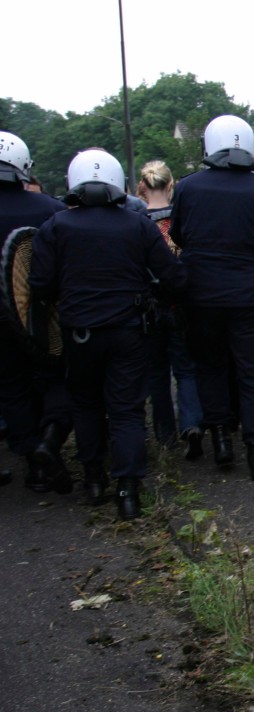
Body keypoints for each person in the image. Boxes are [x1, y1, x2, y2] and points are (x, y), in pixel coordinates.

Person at [29, 149, 186, 520]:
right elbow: (172, 276)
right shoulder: (138, 225)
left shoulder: (56, 226)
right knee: (127, 409)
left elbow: (39, 284)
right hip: (129, 331)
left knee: (86, 404)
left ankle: (94, 478)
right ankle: (128, 490)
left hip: (79, 332)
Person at [170, 114, 254, 481]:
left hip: (202, 295)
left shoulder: (189, 188)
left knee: (209, 367)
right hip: (252, 294)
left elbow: (179, 235)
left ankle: (222, 440)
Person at [0, 130, 69, 493]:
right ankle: (51, 438)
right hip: (41, 315)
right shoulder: (51, 210)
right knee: (55, 377)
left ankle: (31, 459)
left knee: (11, 386)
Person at [136, 160, 204, 460]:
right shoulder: (182, 219)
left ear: (141, 186)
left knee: (157, 373)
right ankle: (192, 423)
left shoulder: (135, 222)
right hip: (180, 302)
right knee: (186, 368)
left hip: (148, 305)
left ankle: (165, 435)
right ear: (171, 184)